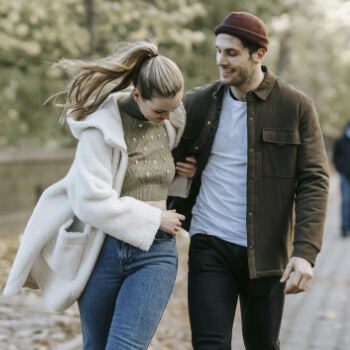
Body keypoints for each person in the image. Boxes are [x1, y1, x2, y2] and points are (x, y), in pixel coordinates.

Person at [3, 42, 197, 350]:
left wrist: (181, 176)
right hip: (103, 251)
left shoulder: (170, 121)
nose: (167, 117)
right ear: (137, 95)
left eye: (173, 108)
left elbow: (144, 175)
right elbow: (90, 200)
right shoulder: (101, 128)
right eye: (160, 110)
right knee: (95, 345)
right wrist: (154, 217)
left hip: (155, 253)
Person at [171, 12, 329, 350]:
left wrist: (304, 253)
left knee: (262, 344)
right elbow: (162, 156)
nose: (221, 61)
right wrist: (180, 181)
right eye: (218, 51)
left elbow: (314, 180)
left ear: (259, 53)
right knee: (209, 345)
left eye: (231, 53)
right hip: (209, 242)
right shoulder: (197, 103)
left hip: (267, 254)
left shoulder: (295, 106)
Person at [333, 122, 350, 237]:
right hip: (344, 175)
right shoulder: (340, 141)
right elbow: (335, 157)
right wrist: (340, 169)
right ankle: (344, 227)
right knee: (345, 200)